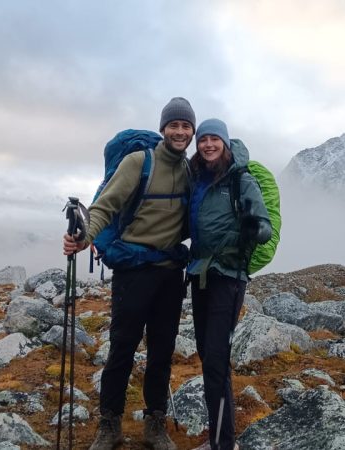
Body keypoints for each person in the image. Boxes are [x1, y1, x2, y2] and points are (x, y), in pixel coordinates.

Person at [63, 97, 196, 450]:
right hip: (133, 272)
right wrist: (84, 239)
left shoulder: (190, 171)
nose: (179, 132)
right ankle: (110, 425)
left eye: (185, 126)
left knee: (162, 351)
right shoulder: (139, 162)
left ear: (192, 132)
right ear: (163, 129)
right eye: (173, 125)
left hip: (169, 272)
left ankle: (155, 424)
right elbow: (105, 207)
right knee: (122, 348)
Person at [187, 119, 272, 450]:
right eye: (203, 139)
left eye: (214, 139)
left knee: (216, 360)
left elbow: (263, 225)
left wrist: (255, 228)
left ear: (224, 143)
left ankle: (223, 443)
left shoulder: (241, 179)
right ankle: (219, 438)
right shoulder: (197, 178)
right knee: (206, 354)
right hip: (200, 274)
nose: (208, 144)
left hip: (229, 277)